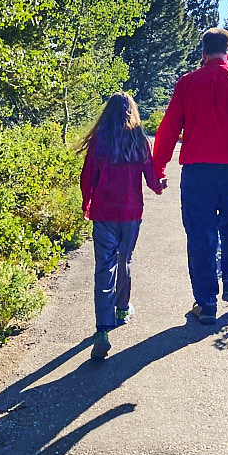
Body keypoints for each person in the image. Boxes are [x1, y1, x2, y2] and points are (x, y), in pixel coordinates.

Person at [153, 27, 228, 324]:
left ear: (203, 54)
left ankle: (206, 303)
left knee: (200, 233)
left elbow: (169, 129)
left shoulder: (187, 83)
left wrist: (158, 168)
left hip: (198, 171)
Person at [80, 92, 165, 359]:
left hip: (104, 212)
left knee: (104, 268)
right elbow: (151, 177)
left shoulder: (99, 140)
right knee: (124, 259)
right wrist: (159, 185)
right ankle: (122, 309)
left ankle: (102, 330)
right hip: (130, 213)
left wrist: (86, 203)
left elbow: (87, 176)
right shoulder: (139, 139)